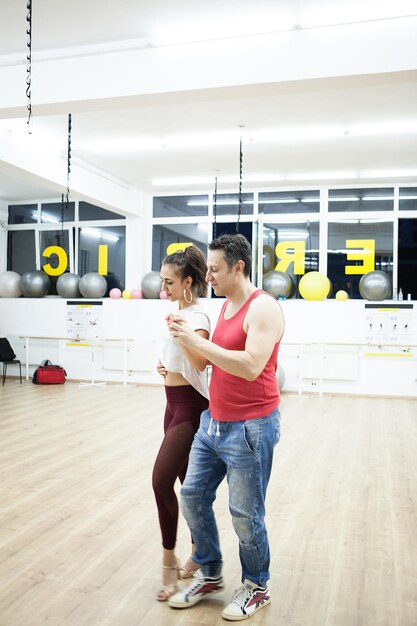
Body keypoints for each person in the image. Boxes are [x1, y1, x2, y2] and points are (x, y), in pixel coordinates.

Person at [166, 233, 285, 621]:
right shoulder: (226, 305)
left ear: (238, 267)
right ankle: (211, 573)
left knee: (244, 514)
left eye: (215, 269)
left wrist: (195, 343)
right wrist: (183, 356)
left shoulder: (263, 307)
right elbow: (216, 365)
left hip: (251, 427)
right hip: (213, 422)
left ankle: (256, 587)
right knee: (193, 495)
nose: (209, 276)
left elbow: (250, 366)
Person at [152, 245, 210, 601]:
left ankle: (168, 561)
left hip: (190, 408)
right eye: (162, 281)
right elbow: (179, 362)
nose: (164, 288)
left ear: (188, 281)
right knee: (188, 488)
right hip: (171, 405)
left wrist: (180, 334)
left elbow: (201, 363)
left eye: (170, 281)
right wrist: (163, 366)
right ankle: (199, 552)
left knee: (160, 482)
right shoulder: (177, 313)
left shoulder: (198, 317)